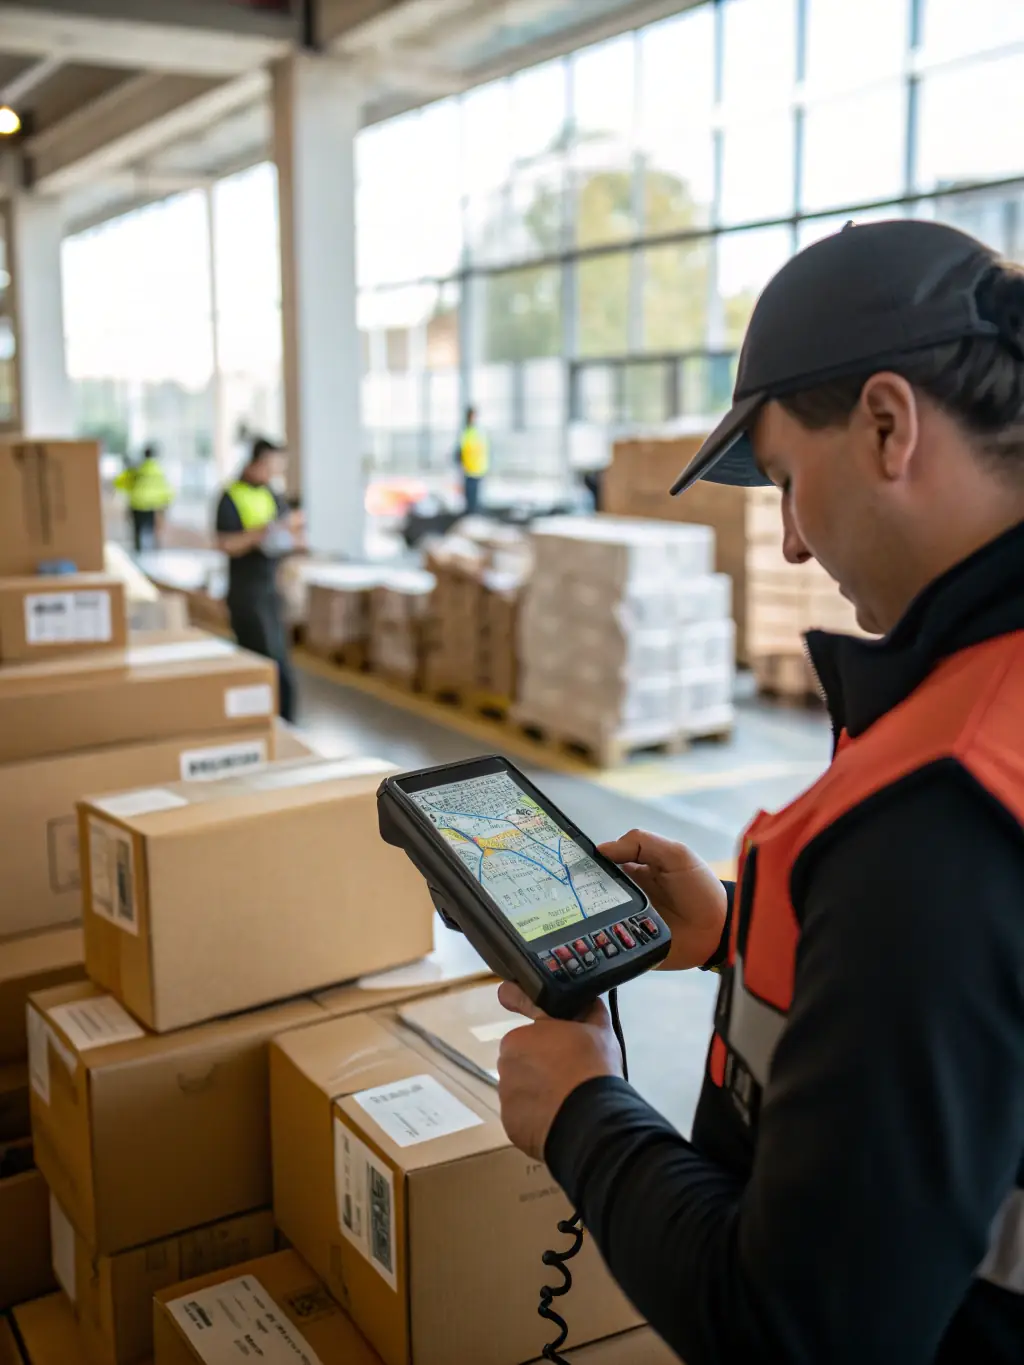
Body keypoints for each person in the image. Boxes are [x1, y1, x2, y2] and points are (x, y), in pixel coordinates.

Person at [495, 220, 1024, 1364]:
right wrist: (740, 933)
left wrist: (581, 1112)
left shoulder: (941, 811)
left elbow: (792, 1334)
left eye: (785, 480)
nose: (787, 543)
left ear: (887, 425)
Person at [215, 437, 303, 723]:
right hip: (246, 592)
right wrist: (260, 534)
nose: (275, 472)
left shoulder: (271, 494)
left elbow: (289, 530)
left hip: (270, 589)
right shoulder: (230, 495)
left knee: (281, 665)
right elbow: (226, 543)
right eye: (273, 465)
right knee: (258, 663)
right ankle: (258, 726)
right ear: (257, 462)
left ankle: (286, 728)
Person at [116, 444, 172, 552]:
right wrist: (166, 503)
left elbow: (120, 483)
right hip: (152, 505)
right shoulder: (158, 470)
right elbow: (165, 488)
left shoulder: (137, 469)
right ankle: (153, 552)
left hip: (137, 504)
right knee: (152, 531)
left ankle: (138, 551)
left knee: (137, 531)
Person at [456, 405, 488, 514]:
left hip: (477, 468)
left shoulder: (478, 432)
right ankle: (471, 513)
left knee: (475, 496)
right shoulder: (467, 432)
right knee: (469, 496)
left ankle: (474, 513)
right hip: (469, 469)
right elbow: (462, 450)